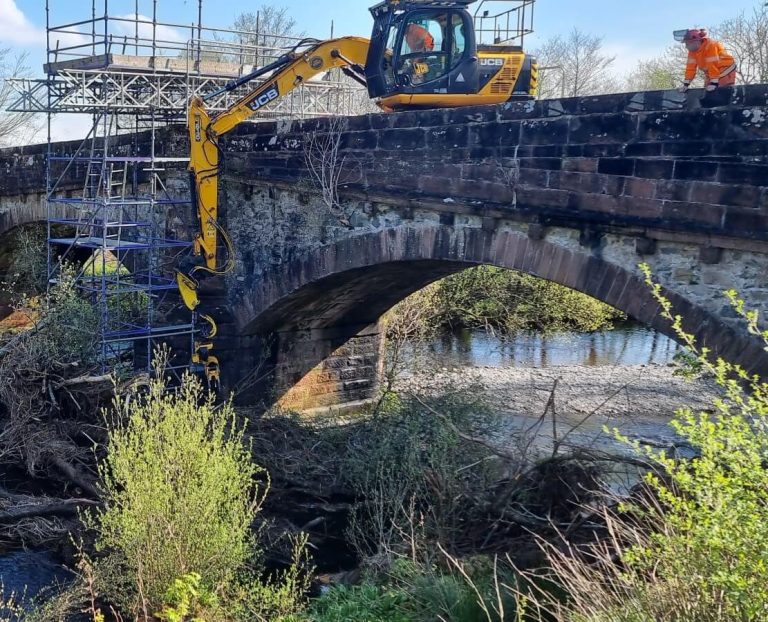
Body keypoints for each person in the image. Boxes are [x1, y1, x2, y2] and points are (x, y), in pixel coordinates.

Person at [674, 28, 737, 93]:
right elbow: (690, 68)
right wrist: (686, 85)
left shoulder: (710, 46)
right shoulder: (692, 52)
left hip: (726, 70)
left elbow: (712, 64)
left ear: (696, 41)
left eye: (687, 44)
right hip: (712, 73)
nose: (686, 47)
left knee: (721, 92)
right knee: (707, 91)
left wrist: (714, 83)